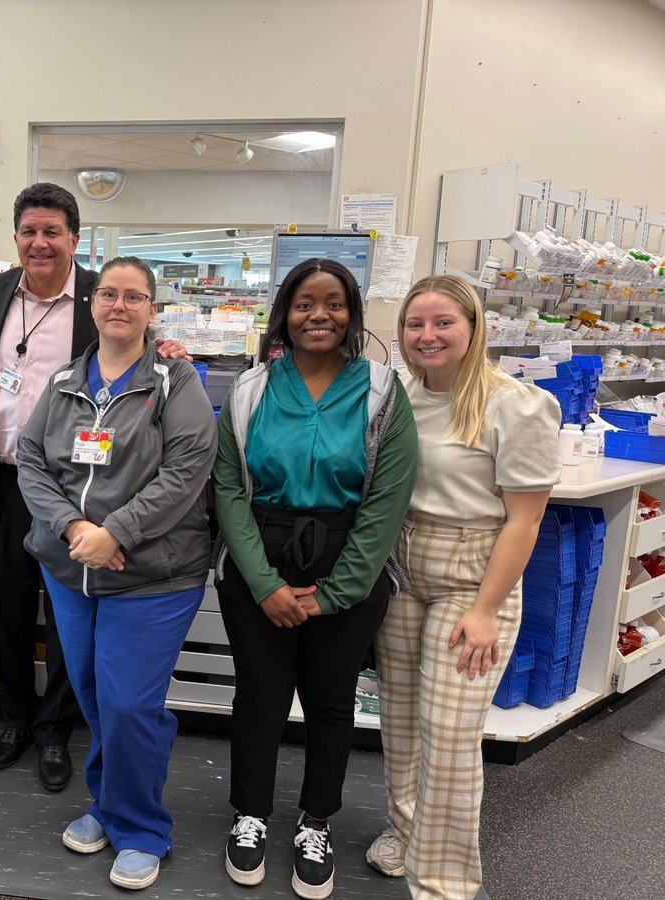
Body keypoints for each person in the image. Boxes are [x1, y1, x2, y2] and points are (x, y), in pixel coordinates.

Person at [0, 182, 187, 792]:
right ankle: (16, 721)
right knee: (8, 609)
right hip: (8, 479)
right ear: (15, 237)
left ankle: (58, 729)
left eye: (52, 232)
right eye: (29, 231)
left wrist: (164, 348)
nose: (40, 243)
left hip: (82, 492)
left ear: (74, 239)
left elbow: (130, 347)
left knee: (67, 614)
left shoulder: (99, 294)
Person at [212, 257, 417, 899]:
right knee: (261, 698)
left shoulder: (383, 390)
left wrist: (337, 592)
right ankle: (249, 816)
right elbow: (227, 487)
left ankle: (316, 822)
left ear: (352, 313)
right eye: (304, 303)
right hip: (259, 558)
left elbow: (388, 497)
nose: (318, 315)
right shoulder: (250, 389)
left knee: (331, 703)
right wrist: (265, 584)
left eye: (332, 303)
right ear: (285, 313)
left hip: (349, 559)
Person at [18, 256, 216, 890]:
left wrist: (116, 533)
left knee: (131, 704)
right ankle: (107, 803)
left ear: (152, 309)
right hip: (72, 571)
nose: (119, 306)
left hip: (154, 575)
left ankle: (141, 827)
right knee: (98, 698)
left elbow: (187, 471)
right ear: (92, 303)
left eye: (135, 297)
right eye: (108, 294)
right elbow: (29, 461)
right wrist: (77, 532)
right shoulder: (65, 382)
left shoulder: (173, 380)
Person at [368, 275, 560, 900]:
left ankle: (444, 882)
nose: (427, 336)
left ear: (474, 328)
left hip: (474, 572)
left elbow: (526, 517)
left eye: (443, 322)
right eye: (415, 324)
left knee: (449, 736)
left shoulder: (515, 404)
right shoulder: (398, 395)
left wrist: (486, 609)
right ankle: (407, 830)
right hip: (401, 566)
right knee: (399, 720)